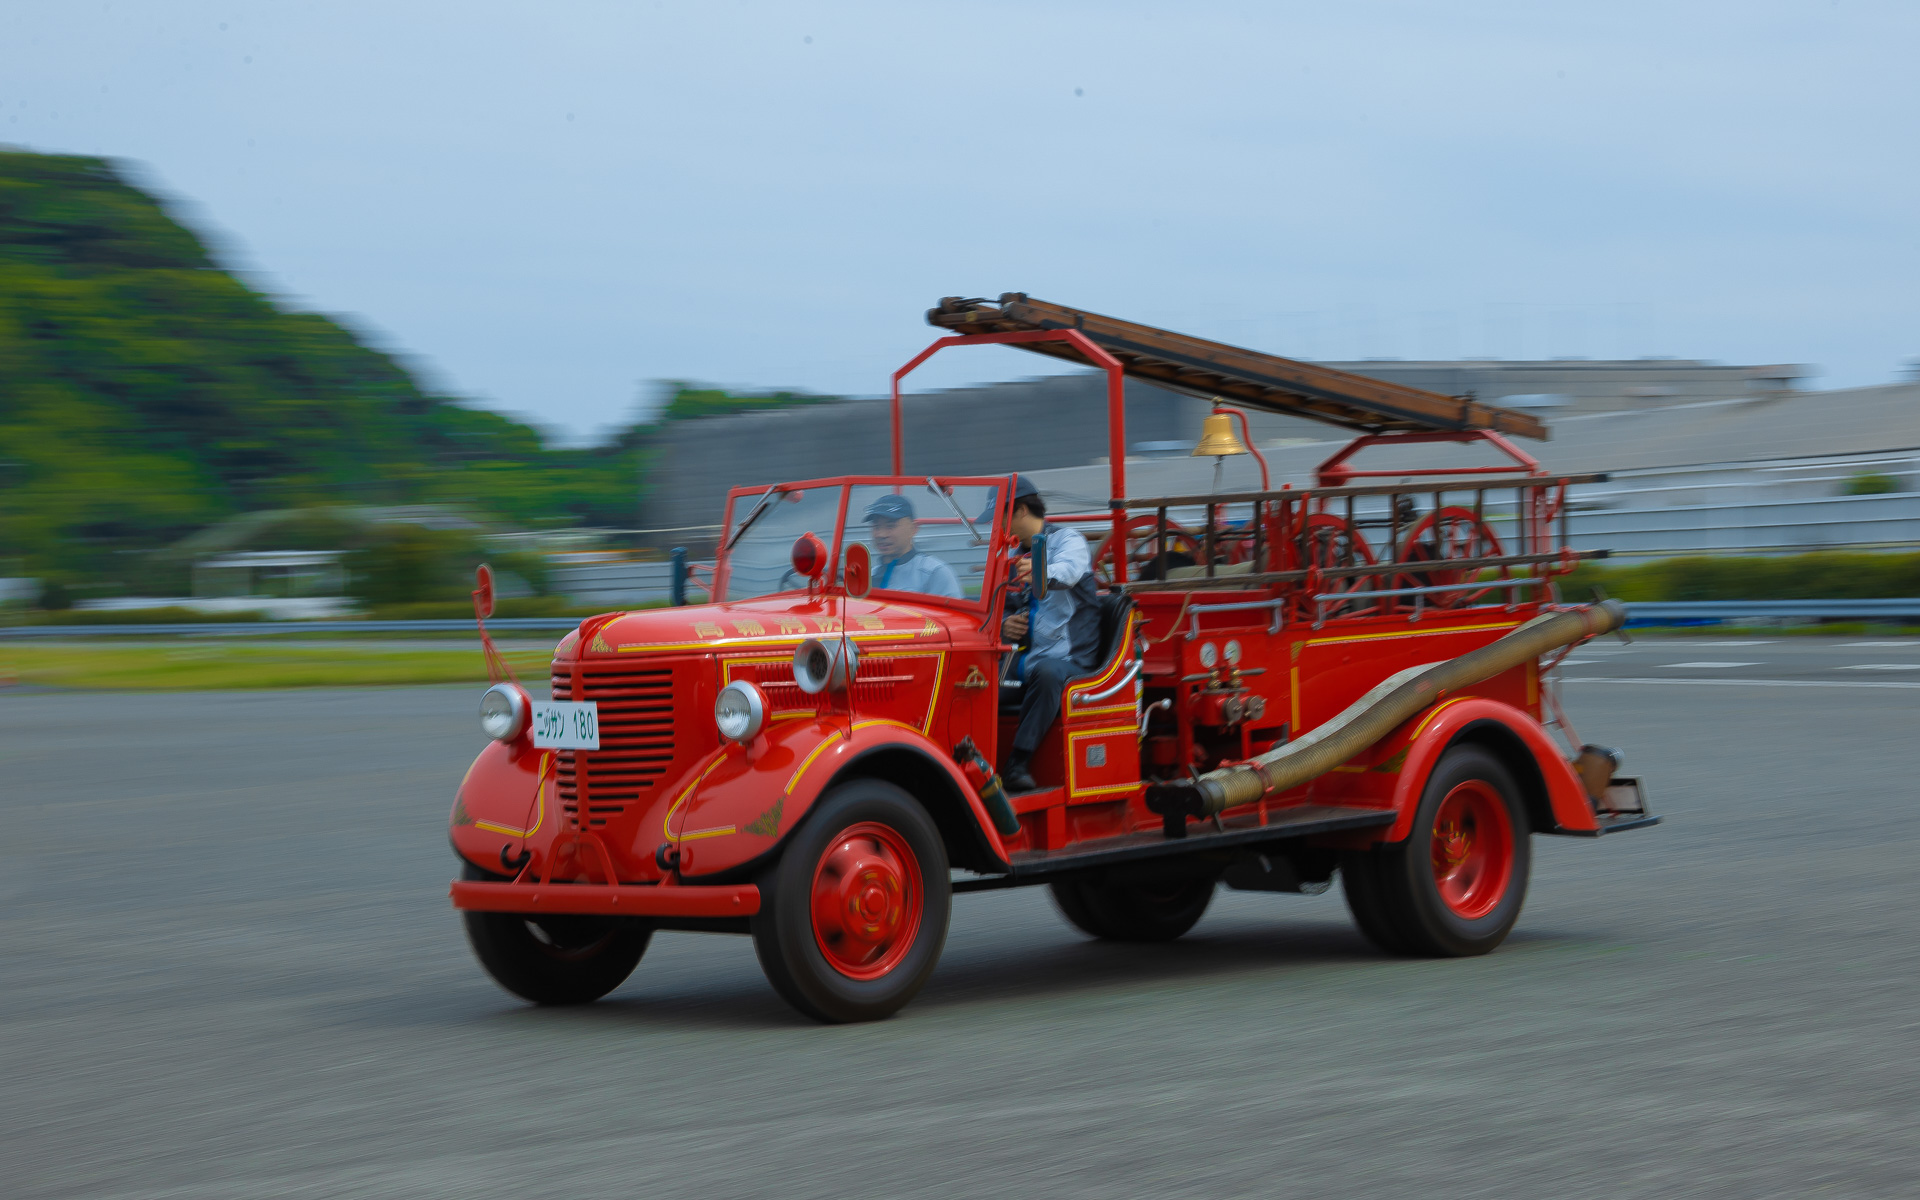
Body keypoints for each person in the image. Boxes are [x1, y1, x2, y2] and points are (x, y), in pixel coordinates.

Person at [997, 476, 1100, 793]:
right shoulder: (1009, 554)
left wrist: (1040, 571)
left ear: (1021, 511)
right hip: (1027, 660)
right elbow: (997, 605)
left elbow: (1067, 572)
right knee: (978, 680)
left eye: (1000, 518)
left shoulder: (1068, 540)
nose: (996, 528)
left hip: (1071, 659)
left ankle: (1018, 763)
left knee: (1047, 672)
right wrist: (1004, 623)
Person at [861, 493, 962, 598]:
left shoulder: (934, 573)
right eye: (876, 526)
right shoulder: (870, 576)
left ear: (913, 528)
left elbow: (952, 614)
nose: (881, 534)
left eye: (890, 526)